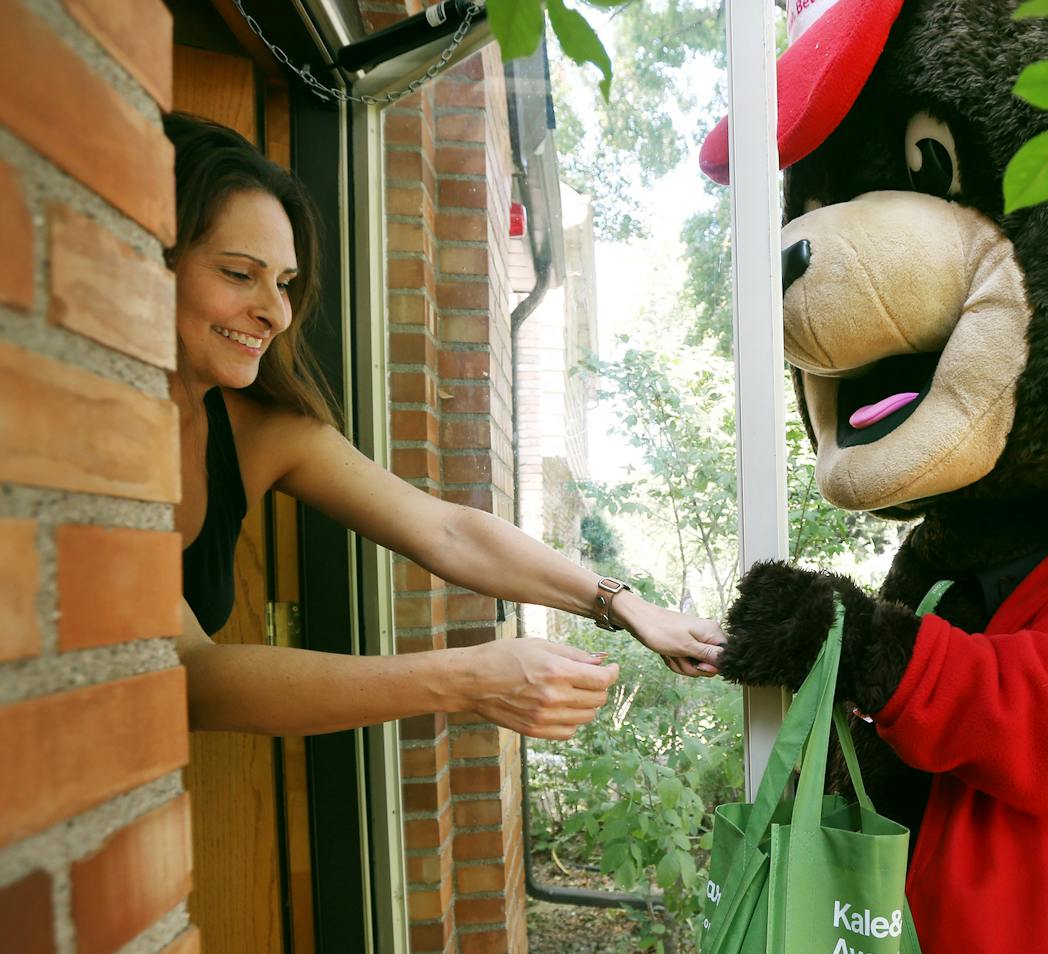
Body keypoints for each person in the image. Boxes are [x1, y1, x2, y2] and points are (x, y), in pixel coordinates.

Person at [166, 112, 724, 740]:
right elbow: (186, 673)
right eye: (239, 273)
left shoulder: (257, 432)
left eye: (285, 283)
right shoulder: (91, 433)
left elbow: (450, 532)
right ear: (151, 260)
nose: (273, 312)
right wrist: (469, 678)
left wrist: (624, 603)